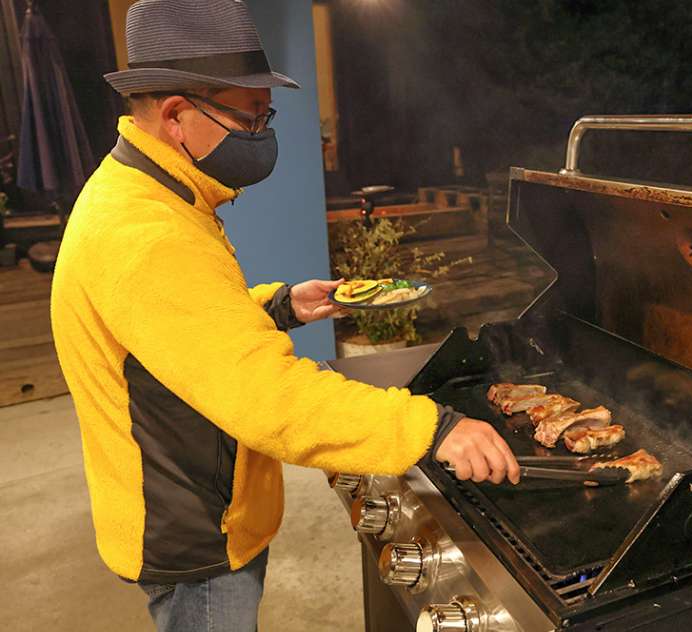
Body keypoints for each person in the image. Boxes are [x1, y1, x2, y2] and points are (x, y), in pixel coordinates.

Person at [49, 1, 520, 630]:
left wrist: (277, 305)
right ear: (175, 116)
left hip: (195, 500)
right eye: (249, 117)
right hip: (194, 533)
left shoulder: (140, 193)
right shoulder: (147, 234)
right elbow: (267, 397)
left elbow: (175, 330)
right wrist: (430, 429)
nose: (263, 133)